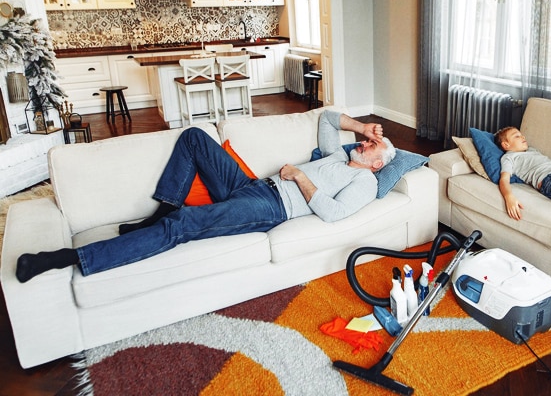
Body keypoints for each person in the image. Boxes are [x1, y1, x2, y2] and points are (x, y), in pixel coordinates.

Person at [16, 110, 397, 283]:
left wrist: (299, 176)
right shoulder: (339, 154)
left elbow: (333, 213)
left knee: (181, 225)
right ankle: (162, 210)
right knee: (195, 137)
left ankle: (67, 258)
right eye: (367, 139)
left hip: (270, 206)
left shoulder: (364, 182)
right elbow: (328, 118)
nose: (364, 143)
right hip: (252, 185)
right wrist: (362, 125)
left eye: (370, 145)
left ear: (377, 164)